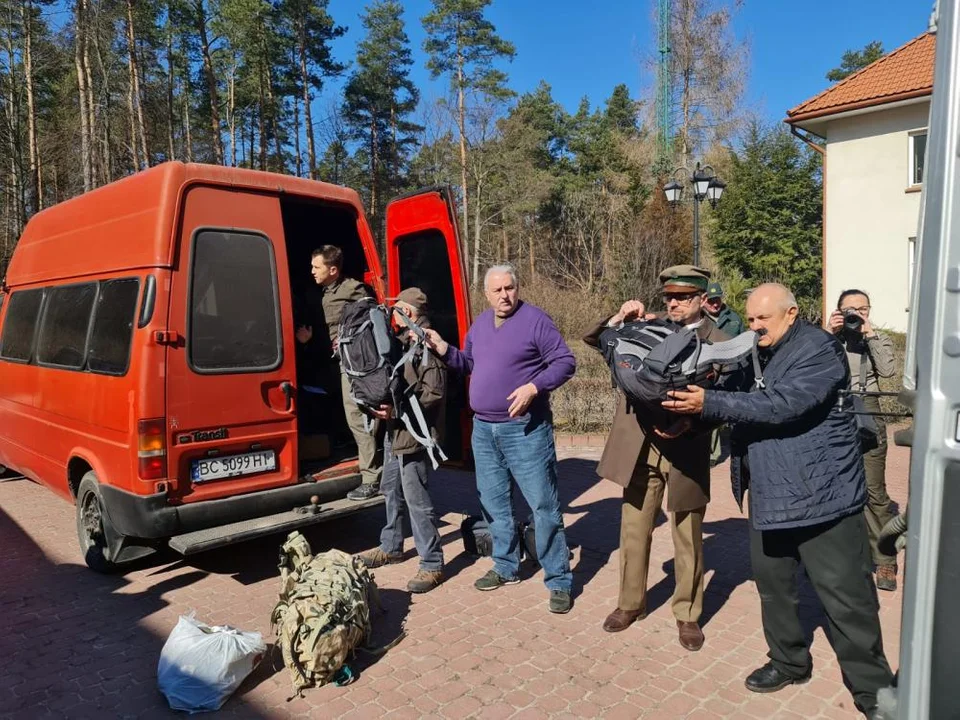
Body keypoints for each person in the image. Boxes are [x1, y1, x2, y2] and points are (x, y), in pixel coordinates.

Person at [664, 283, 893, 718]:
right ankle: (789, 661)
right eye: (749, 319)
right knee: (775, 589)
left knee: (846, 598)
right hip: (772, 493)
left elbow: (784, 403)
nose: (753, 327)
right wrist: (690, 420)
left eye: (762, 319)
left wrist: (709, 401)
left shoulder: (819, 350)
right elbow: (731, 396)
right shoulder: (753, 350)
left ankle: (874, 691)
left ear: (791, 314)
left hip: (823, 494)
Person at [583, 264, 726, 652]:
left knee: (687, 534)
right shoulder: (645, 326)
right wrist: (618, 319)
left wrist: (690, 426)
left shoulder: (721, 339)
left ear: (701, 298)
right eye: (670, 297)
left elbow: (728, 402)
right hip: (639, 446)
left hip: (685, 448)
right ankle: (630, 604)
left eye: (682, 297)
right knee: (633, 528)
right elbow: (596, 341)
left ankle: (688, 614)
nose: (674, 304)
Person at [424, 264, 576, 614]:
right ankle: (506, 566)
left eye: (510, 288)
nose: (505, 295)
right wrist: (444, 349)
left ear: (517, 287)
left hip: (525, 429)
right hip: (484, 429)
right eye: (498, 290)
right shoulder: (480, 324)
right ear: (487, 293)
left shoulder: (536, 320)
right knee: (494, 503)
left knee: (543, 505)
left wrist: (534, 387)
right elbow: (468, 363)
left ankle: (559, 580)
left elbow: (565, 362)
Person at [356, 288, 447, 593]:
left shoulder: (427, 347)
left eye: (396, 311)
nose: (391, 316)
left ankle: (432, 562)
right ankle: (391, 546)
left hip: (414, 435)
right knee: (390, 489)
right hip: (395, 432)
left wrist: (398, 408)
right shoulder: (403, 343)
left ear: (407, 313)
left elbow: (433, 394)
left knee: (417, 500)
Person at [298, 245, 383, 501]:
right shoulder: (320, 293)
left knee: (358, 419)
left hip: (354, 365)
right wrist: (309, 341)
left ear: (333, 269)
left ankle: (371, 478)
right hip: (331, 363)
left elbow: (369, 325)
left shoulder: (353, 290)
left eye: (317, 267)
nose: (312, 271)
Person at [826, 289, 898, 591]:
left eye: (862, 309)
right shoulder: (827, 339)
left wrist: (869, 334)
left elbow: (889, 371)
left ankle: (884, 561)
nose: (856, 314)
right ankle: (831, 556)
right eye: (850, 309)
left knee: (874, 491)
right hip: (834, 412)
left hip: (867, 410)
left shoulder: (877, 339)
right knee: (830, 487)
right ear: (839, 311)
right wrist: (827, 333)